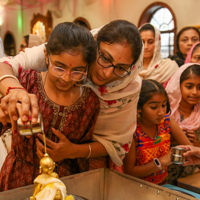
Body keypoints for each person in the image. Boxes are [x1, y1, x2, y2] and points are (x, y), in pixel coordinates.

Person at [0, 20, 143, 168]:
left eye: (121, 68)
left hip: (82, 166)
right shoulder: (68, 49)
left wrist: (72, 151)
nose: (107, 73)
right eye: (105, 58)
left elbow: (116, 143)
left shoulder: (128, 88)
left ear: (131, 68)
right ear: (95, 45)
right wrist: (15, 91)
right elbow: (6, 65)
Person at [0, 22, 100, 191]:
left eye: (77, 70)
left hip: (63, 184)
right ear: (46, 56)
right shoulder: (27, 82)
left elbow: (87, 154)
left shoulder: (90, 102)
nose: (67, 78)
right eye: (59, 67)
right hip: (17, 179)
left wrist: (71, 151)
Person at [123, 79, 191, 185]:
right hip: (136, 189)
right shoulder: (133, 131)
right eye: (154, 107)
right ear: (139, 108)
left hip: (162, 186)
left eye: (164, 105)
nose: (161, 112)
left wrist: (193, 148)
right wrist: (161, 161)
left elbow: (190, 148)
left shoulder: (166, 121)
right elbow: (129, 172)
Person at [165, 63, 200, 185]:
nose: (195, 92)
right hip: (162, 176)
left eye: (199, 87)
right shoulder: (164, 109)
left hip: (190, 178)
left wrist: (196, 145)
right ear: (178, 86)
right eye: (189, 86)